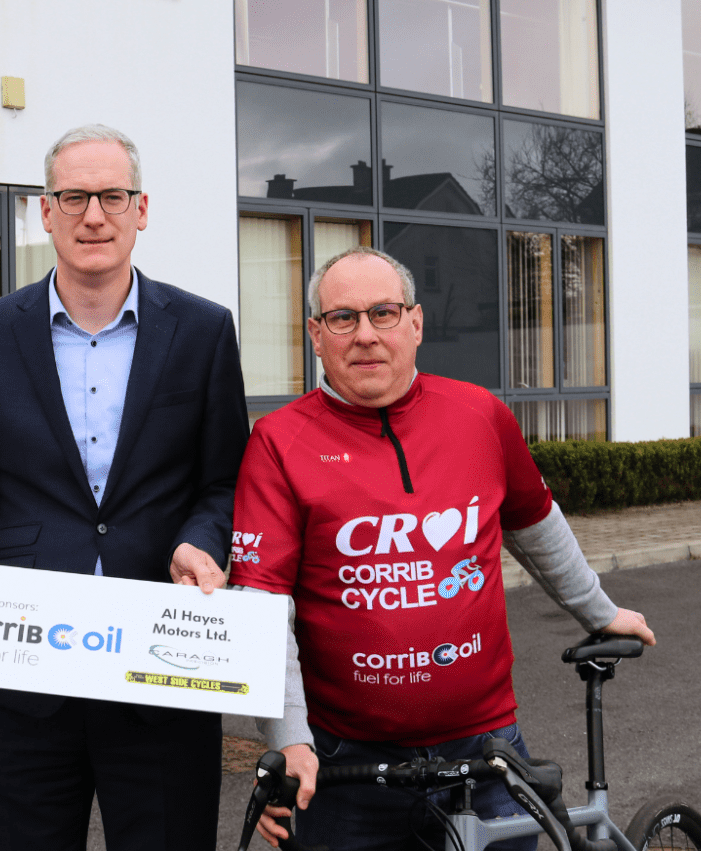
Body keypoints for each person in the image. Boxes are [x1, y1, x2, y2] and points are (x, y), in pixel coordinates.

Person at [231, 247, 657, 851]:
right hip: (347, 766)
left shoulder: (478, 415)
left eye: (383, 313)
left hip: (486, 749)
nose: (366, 335)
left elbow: (535, 521)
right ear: (315, 335)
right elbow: (261, 602)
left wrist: (598, 610)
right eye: (343, 318)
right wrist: (289, 738)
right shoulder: (278, 442)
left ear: (416, 323)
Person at [0, 124, 250, 851]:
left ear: (143, 208)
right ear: (46, 212)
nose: (94, 215)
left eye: (112, 195)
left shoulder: (203, 331)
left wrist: (202, 540)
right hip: (24, 678)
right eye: (75, 197)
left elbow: (226, 480)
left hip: (164, 676)